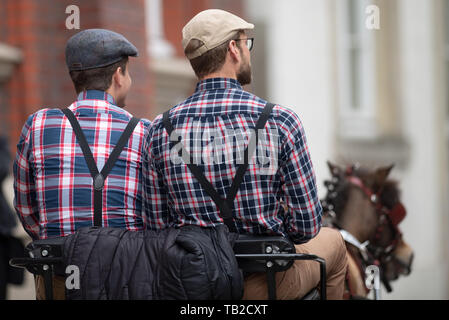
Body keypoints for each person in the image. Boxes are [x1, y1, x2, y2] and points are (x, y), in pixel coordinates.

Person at [143, 9, 348, 299]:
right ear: (233, 49)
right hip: (266, 280)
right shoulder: (280, 121)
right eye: (245, 43)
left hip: (197, 284)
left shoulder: (159, 130)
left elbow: (157, 230)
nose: (247, 52)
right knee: (336, 244)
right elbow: (306, 226)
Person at [13, 29, 151, 299]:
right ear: (118, 76)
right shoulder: (145, 131)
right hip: (125, 276)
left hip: (59, 273)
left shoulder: (38, 124)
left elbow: (26, 208)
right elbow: (154, 212)